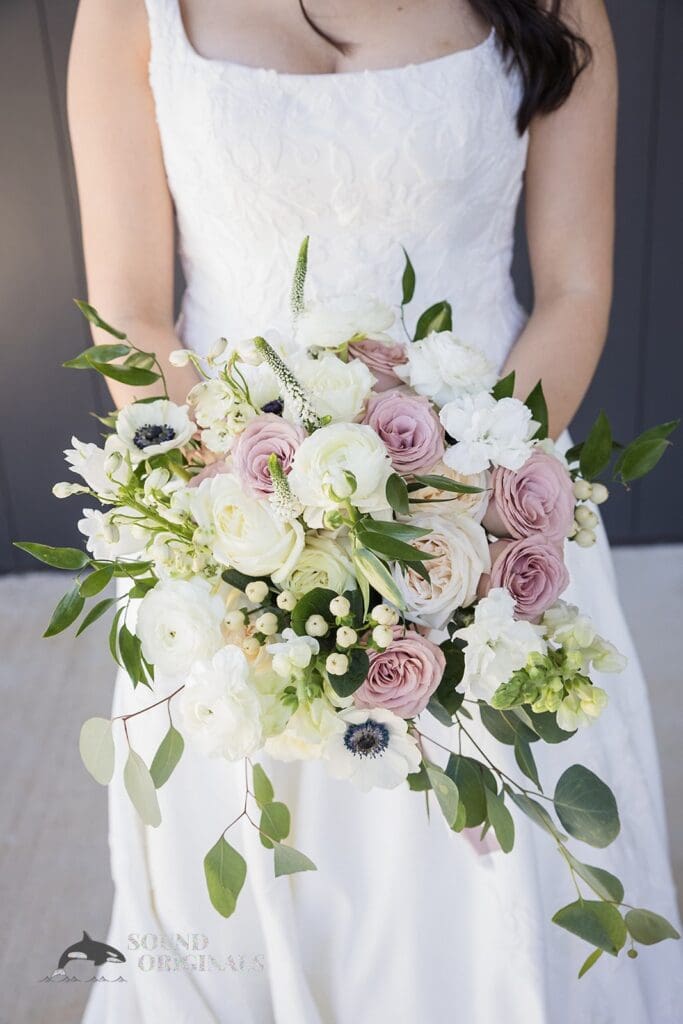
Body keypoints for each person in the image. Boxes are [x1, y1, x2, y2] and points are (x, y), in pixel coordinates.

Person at [68, 1, 682, 1020]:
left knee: (497, 884)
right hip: (226, 520)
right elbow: (130, 311)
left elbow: (573, 286)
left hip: (487, 516)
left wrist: (475, 517)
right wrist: (247, 522)